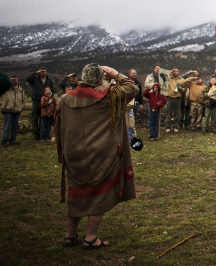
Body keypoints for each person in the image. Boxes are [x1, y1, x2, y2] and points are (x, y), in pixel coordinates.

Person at [56, 64, 137, 249]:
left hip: (73, 154)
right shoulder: (108, 96)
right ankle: (91, 237)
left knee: (76, 193)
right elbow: (132, 88)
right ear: (101, 79)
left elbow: (59, 128)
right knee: (99, 194)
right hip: (101, 153)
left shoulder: (65, 99)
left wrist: (61, 154)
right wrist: (116, 74)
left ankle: (69, 236)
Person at [26, 67, 54, 140]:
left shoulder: (49, 80)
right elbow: (28, 79)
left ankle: (42, 134)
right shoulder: (35, 79)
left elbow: (52, 90)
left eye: (45, 71)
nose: (44, 73)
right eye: (42, 71)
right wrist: (35, 73)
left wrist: (51, 99)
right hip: (36, 99)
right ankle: (35, 133)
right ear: (40, 72)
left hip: (46, 100)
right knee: (35, 117)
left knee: (43, 117)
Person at [1, 75, 25, 146]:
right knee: (7, 126)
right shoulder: (6, 89)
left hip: (17, 110)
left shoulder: (20, 90)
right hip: (8, 109)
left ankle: (12, 140)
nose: (15, 81)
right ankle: (4, 141)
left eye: (16, 79)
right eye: (14, 80)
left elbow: (23, 100)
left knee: (15, 126)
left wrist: (21, 107)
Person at [164, 68, 184, 133]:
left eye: (176, 71)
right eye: (174, 71)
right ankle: (168, 127)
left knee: (176, 113)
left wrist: (181, 88)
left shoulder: (181, 80)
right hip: (170, 97)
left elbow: (185, 89)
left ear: (178, 72)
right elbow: (164, 77)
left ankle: (175, 126)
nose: (175, 72)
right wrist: (170, 72)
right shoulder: (169, 79)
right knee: (169, 113)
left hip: (178, 98)